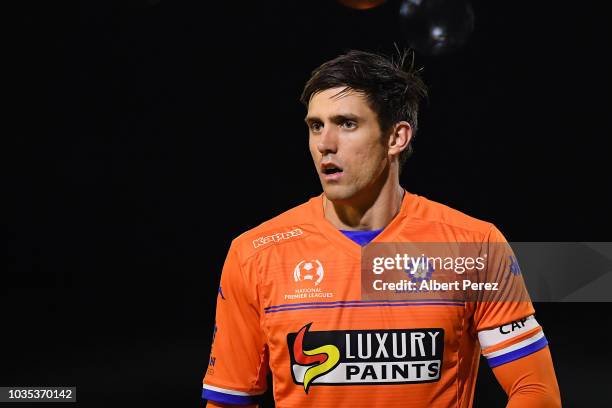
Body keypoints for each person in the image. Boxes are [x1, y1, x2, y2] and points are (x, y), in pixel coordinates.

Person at [201, 50, 561, 407]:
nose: (325, 144)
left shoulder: (474, 246)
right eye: (316, 126)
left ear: (396, 138)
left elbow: (535, 391)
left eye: (347, 124)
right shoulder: (255, 253)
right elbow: (227, 401)